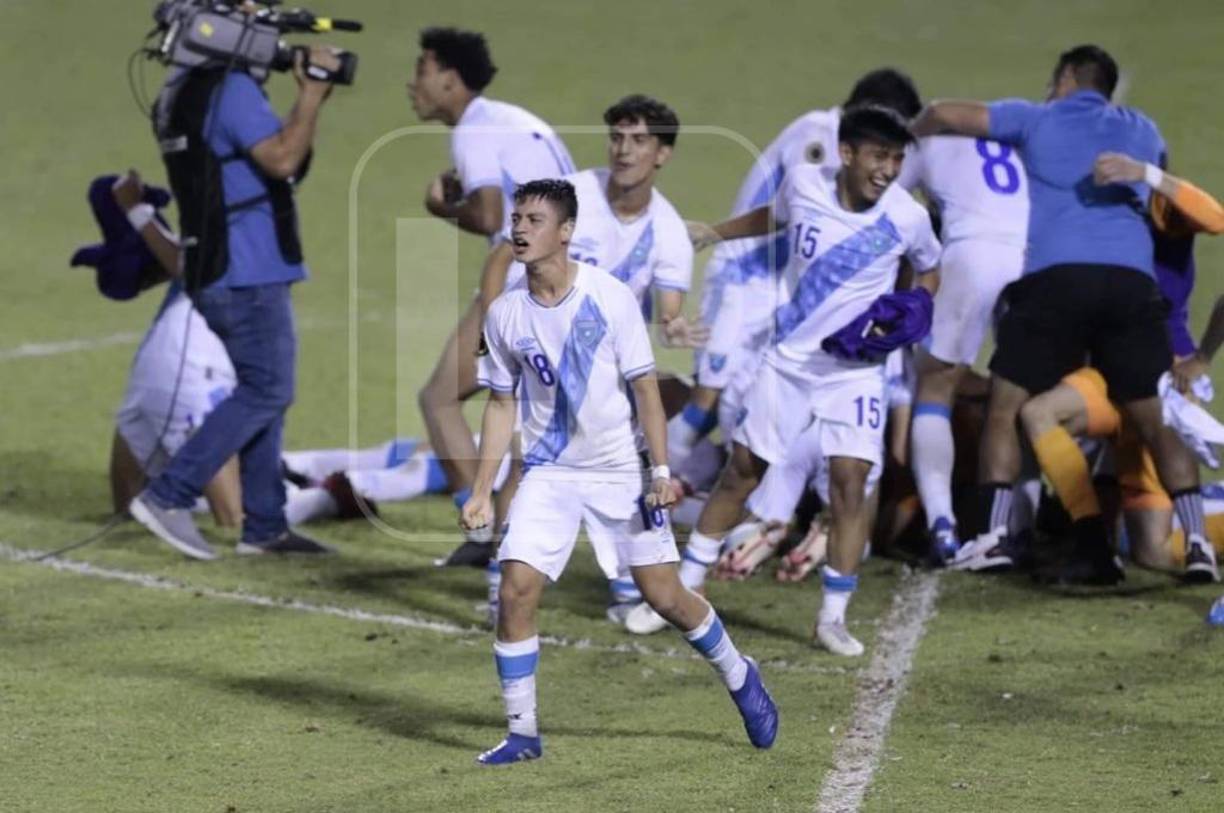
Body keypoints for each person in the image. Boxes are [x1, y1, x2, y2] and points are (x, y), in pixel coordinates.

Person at [460, 180, 777, 763]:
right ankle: (523, 733)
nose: (520, 229)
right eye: (517, 218)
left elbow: (647, 392)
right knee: (515, 589)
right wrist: (482, 489)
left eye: (534, 219)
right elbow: (502, 404)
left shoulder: (608, 298)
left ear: (566, 231)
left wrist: (660, 470)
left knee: (665, 597)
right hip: (549, 474)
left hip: (617, 471)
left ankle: (739, 673)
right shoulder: (505, 313)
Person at [641, 107, 942, 656]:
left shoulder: (908, 216)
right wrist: (715, 232)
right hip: (790, 365)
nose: (888, 170)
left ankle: (832, 616)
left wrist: (918, 304)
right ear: (847, 154)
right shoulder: (804, 185)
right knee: (742, 473)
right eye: (879, 156)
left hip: (855, 373)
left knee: (852, 482)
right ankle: (684, 589)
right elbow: (773, 218)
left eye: (897, 159)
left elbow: (929, 266)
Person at [911, 44, 1214, 581]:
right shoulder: (1143, 129)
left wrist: (913, 131)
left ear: (1068, 77)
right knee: (1154, 420)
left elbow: (946, 115)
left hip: (1057, 280)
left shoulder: (1037, 118)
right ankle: (1197, 544)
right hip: (1130, 285)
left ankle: (996, 536)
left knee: (1007, 405)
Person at [444, 95, 706, 611]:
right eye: (617, 138)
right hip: (535, 341)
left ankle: (630, 582)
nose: (624, 151)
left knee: (618, 462)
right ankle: (504, 580)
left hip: (597, 364)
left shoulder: (669, 232)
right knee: (528, 458)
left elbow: (668, 306)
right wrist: (492, 327)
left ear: (663, 154)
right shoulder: (573, 196)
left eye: (639, 141)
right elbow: (501, 257)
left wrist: (673, 327)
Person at [126, 39, 342, 559]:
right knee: (267, 389)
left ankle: (264, 524)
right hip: (246, 269)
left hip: (217, 266)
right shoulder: (232, 88)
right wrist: (311, 91)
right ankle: (169, 494)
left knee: (263, 387)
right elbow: (283, 158)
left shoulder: (182, 90)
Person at [671, 69, 923, 465]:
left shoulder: (852, 150)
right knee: (708, 400)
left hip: (784, 289)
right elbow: (794, 214)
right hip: (743, 275)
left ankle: (686, 484)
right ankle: (645, 478)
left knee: (749, 408)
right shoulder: (819, 132)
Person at [408, 27, 576, 564]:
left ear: (450, 80)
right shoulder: (514, 121)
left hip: (521, 283)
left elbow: (487, 215)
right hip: (570, 279)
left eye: (422, 71)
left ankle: (483, 532)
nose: (412, 83)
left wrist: (439, 207)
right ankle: (509, 541)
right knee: (532, 426)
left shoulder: (476, 129)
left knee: (439, 398)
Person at [903, 133, 1029, 564]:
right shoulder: (1010, 145)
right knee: (1019, 389)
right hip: (1028, 258)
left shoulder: (924, 142)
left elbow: (888, 208)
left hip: (972, 253)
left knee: (935, 385)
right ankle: (1022, 525)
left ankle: (943, 525)